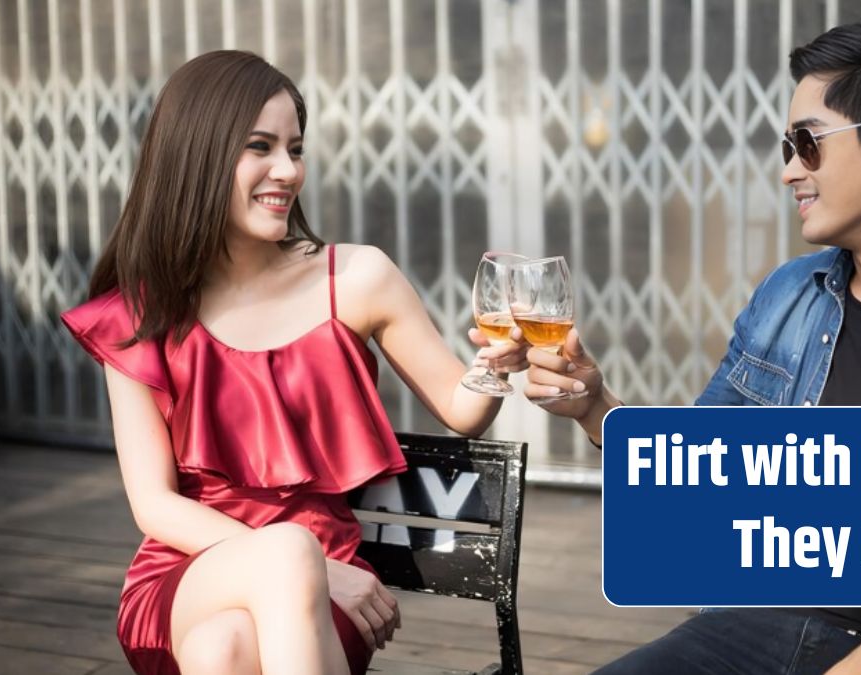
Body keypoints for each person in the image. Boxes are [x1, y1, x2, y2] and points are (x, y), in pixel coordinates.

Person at [516, 20, 861, 675]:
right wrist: (595, 404)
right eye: (787, 145)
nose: (789, 171)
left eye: (807, 143)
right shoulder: (788, 294)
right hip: (753, 625)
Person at [62, 51, 527, 675]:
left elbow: (463, 409)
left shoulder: (356, 278)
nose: (288, 170)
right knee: (283, 557)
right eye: (261, 147)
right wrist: (316, 567)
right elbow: (154, 506)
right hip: (188, 573)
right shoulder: (142, 311)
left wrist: (494, 364)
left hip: (318, 595)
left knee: (220, 649)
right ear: (196, 156)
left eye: (295, 148)